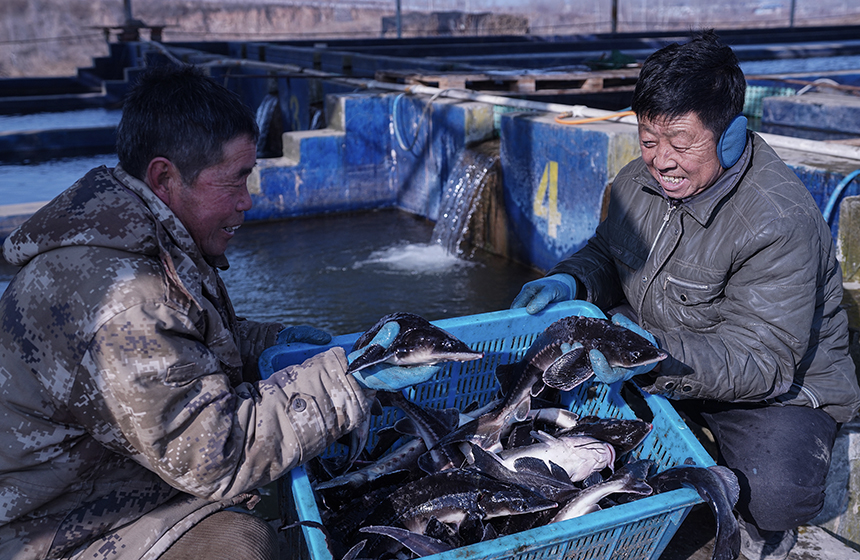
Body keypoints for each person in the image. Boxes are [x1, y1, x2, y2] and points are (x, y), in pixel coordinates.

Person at [0, 64, 436, 560]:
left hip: (120, 482)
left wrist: (279, 343)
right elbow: (215, 456)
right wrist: (349, 380)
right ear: (164, 177)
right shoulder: (120, 297)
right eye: (235, 181)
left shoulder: (147, 237)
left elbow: (185, 346)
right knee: (240, 544)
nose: (248, 201)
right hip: (62, 529)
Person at [511, 30, 860, 560]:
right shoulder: (635, 182)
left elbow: (762, 359)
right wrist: (571, 281)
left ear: (730, 137)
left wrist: (649, 354)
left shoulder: (777, 221)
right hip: (661, 344)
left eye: (680, 142)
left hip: (774, 382)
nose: (661, 161)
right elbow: (607, 254)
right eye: (649, 140)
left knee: (777, 494)